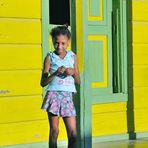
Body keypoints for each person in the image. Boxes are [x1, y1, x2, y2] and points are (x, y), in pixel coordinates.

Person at [40, 25, 80, 148]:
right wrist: (56, 73)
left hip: (67, 97)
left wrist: (73, 72)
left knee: (73, 134)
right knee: (54, 131)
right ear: (52, 41)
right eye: (56, 43)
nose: (60, 46)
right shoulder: (49, 57)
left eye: (63, 43)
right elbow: (43, 82)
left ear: (68, 42)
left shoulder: (73, 57)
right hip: (53, 95)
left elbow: (78, 81)